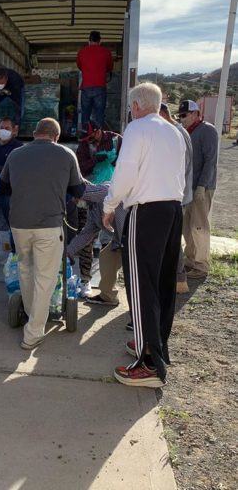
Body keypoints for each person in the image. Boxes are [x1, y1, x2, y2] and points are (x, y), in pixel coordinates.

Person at [103, 83, 185, 388]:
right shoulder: (173, 131)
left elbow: (125, 171)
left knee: (141, 285)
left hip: (147, 212)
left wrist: (109, 204)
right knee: (163, 284)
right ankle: (156, 346)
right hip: (173, 210)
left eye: (130, 107)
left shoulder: (137, 128)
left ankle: (149, 365)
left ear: (137, 106)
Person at [0, 118, 85, 350]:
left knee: (26, 269)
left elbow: (3, 185)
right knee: (46, 277)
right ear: (56, 136)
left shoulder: (15, 154)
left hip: (18, 223)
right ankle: (34, 333)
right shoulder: (66, 155)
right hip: (49, 225)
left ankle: (31, 315)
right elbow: (78, 189)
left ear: (35, 133)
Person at [71, 122, 122, 296]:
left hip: (112, 198)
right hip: (91, 198)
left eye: (92, 138)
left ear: (100, 131)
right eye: (87, 139)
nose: (90, 142)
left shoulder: (117, 141)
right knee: (87, 240)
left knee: (113, 244)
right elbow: (79, 169)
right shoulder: (84, 146)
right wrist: (66, 254)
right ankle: (87, 281)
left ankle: (108, 287)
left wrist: (114, 160)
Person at [67, 182, 127, 307]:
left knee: (136, 273)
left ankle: (142, 309)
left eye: (74, 198)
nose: (74, 202)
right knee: (106, 257)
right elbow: (85, 235)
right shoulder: (93, 210)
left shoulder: (104, 191)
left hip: (134, 237)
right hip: (120, 240)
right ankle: (108, 296)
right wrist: (67, 252)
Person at [178, 100, 218, 278]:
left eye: (185, 115)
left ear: (195, 114)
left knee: (199, 226)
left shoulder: (207, 130)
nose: (182, 118)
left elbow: (211, 160)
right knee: (187, 227)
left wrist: (202, 185)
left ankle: (201, 265)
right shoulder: (187, 131)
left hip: (202, 187)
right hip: (188, 188)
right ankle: (190, 260)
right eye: (180, 115)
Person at [159, 103, 193, 293]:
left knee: (172, 239)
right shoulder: (179, 131)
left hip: (176, 196)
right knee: (172, 238)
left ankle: (179, 279)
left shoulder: (174, 133)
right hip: (180, 194)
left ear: (162, 114)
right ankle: (176, 278)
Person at [0, 117, 23, 268]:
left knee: (12, 223)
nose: (3, 131)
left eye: (7, 128)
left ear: (14, 130)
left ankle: (15, 253)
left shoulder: (18, 147)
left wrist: (1, 170)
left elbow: (18, 170)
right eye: (1, 127)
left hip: (7, 192)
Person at [76, 31, 113, 129]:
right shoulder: (106, 52)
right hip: (100, 88)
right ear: (100, 41)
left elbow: (80, 66)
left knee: (85, 114)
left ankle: (85, 138)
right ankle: (99, 139)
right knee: (99, 114)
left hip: (86, 88)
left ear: (89, 41)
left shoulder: (82, 52)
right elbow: (109, 67)